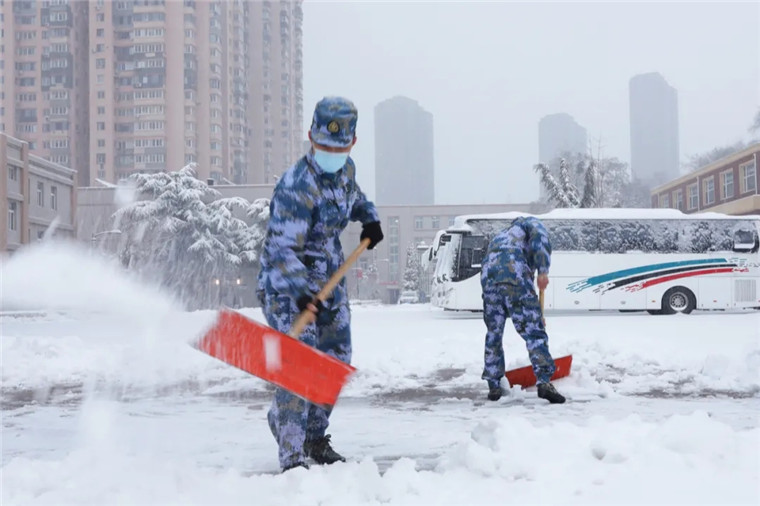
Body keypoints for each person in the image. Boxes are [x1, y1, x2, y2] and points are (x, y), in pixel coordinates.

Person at [256, 97, 384, 472]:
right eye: (325, 147)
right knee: (298, 364)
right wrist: (300, 291)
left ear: (352, 143)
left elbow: (354, 198)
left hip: (329, 277)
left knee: (335, 359)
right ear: (311, 137)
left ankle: (313, 436)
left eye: (340, 148)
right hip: (286, 284)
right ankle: (292, 455)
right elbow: (282, 249)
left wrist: (369, 218)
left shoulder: (345, 171)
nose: (332, 154)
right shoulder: (296, 185)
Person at [479, 216, 565, 404]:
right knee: (534, 332)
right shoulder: (531, 223)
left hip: (489, 277)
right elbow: (540, 239)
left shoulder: (501, 235)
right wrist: (543, 271)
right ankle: (544, 381)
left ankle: (494, 385)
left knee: (494, 332)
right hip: (514, 272)